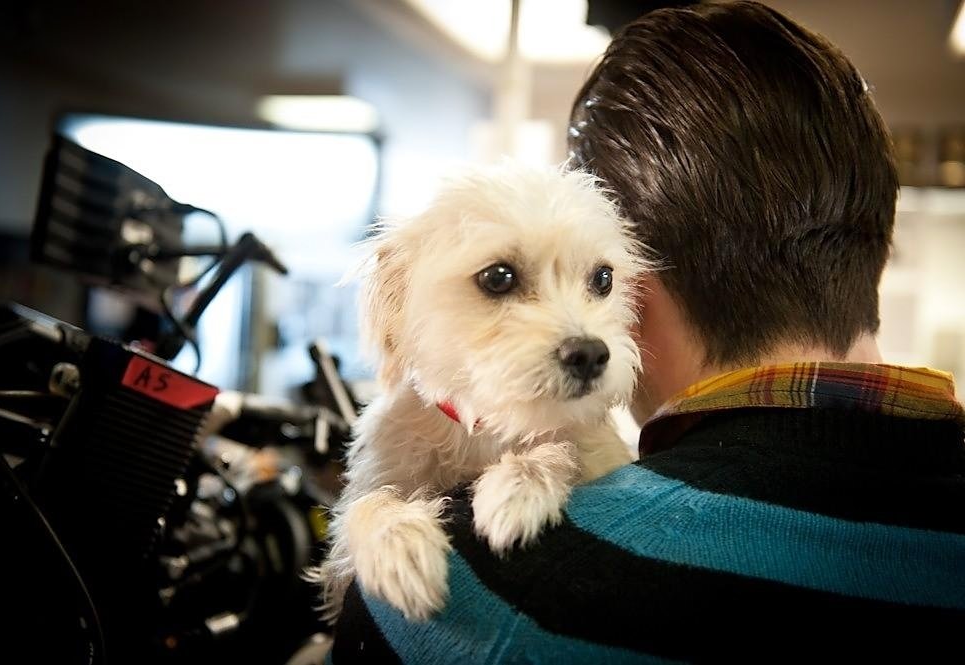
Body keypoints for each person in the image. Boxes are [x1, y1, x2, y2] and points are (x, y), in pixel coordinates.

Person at [329, 2, 965, 662]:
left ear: (638, 284)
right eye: (503, 281)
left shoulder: (478, 598)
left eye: (598, 279)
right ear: (878, 249)